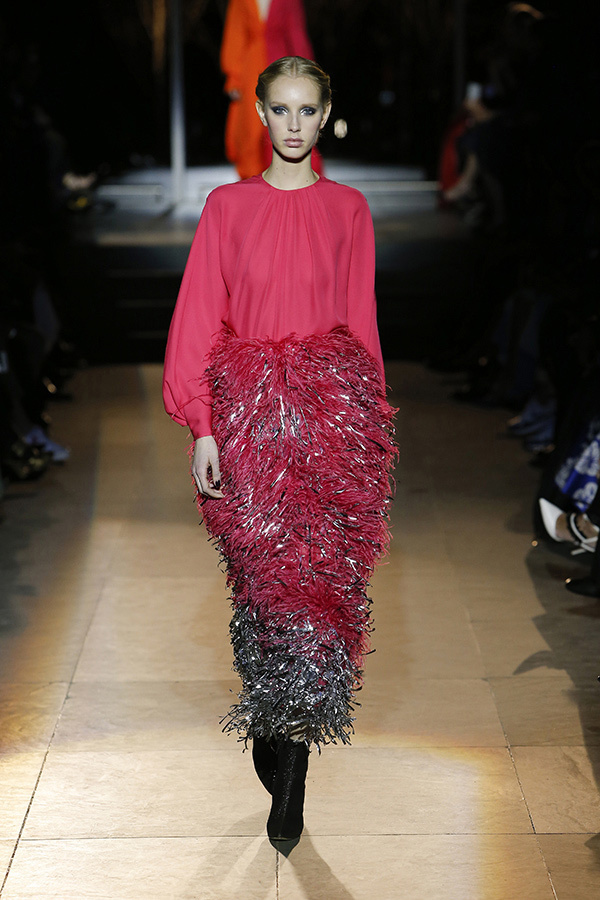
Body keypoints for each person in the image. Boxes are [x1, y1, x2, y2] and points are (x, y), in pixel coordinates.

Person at [163, 56, 395, 843]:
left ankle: (291, 769)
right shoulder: (227, 207)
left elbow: (361, 322)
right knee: (264, 590)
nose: (295, 125)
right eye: (282, 110)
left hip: (332, 424)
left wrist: (372, 432)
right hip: (251, 424)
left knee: (319, 593)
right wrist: (202, 426)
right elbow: (200, 317)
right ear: (261, 115)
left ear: (325, 116)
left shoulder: (349, 209)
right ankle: (272, 723)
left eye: (308, 110)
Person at [220, 0, 321, 179]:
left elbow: (296, 32)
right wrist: (234, 76)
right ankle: (253, 187)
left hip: (282, 67)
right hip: (250, 71)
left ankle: (295, 185)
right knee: (251, 130)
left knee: (286, 126)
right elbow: (235, 32)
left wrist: (307, 75)